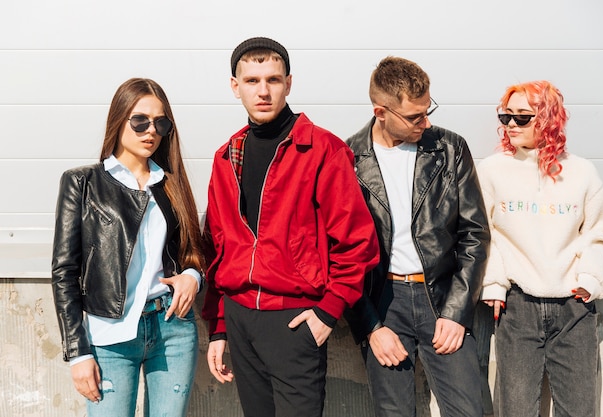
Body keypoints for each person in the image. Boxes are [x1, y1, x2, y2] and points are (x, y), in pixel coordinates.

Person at [201, 36, 379, 417]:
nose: (263, 91)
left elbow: (357, 242)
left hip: (296, 318)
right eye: (251, 81)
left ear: (289, 83)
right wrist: (218, 326)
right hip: (239, 316)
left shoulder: (322, 150)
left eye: (273, 80)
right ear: (235, 87)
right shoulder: (225, 157)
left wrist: (328, 311)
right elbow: (218, 246)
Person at [343, 56, 490, 417]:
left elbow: (474, 234)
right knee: (394, 412)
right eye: (414, 117)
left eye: (428, 110)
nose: (426, 122)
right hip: (384, 303)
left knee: (469, 410)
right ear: (381, 112)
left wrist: (456, 312)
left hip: (440, 295)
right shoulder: (349, 158)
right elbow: (341, 251)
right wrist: (370, 326)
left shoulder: (449, 148)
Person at [51, 78, 205, 417]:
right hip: (110, 335)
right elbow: (64, 272)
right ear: (119, 119)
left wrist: (193, 275)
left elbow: (194, 251)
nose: (150, 130)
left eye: (160, 123)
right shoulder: (83, 183)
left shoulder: (171, 183)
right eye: (140, 120)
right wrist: (78, 353)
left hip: (172, 327)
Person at [478, 80, 603, 417]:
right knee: (515, 410)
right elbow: (483, 233)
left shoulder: (581, 172)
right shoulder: (492, 170)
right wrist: (493, 282)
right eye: (505, 116)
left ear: (548, 119)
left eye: (522, 117)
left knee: (579, 409)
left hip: (574, 307)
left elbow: (601, 232)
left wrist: (590, 279)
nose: (510, 124)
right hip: (517, 307)